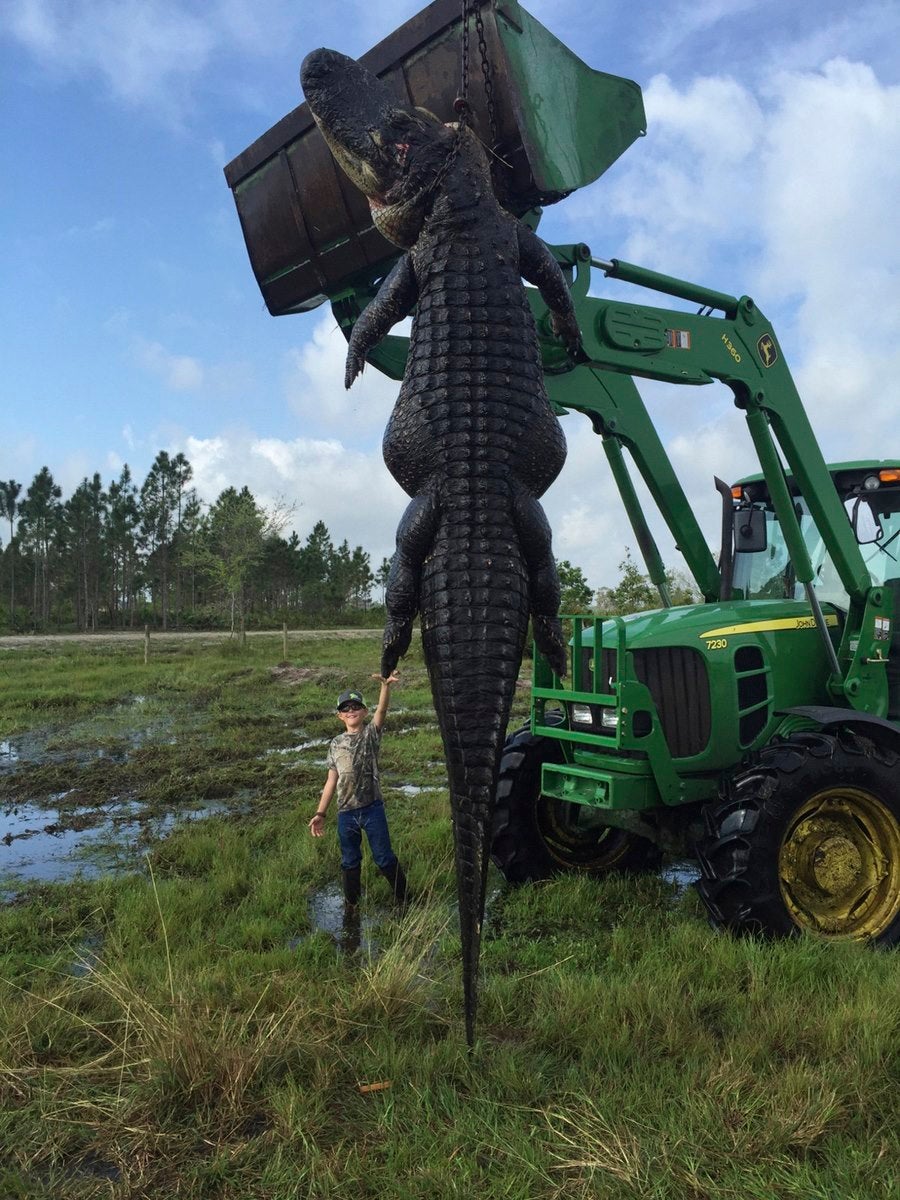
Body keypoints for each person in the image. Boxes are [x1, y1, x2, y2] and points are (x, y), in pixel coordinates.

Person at [309, 672, 408, 908]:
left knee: (384, 857)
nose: (351, 710)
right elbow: (331, 780)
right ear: (340, 715)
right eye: (346, 708)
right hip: (346, 813)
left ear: (364, 712)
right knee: (350, 861)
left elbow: (382, 713)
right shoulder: (336, 744)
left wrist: (385, 687)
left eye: (356, 706)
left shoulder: (370, 735)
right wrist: (320, 814)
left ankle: (405, 899)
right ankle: (351, 905)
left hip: (373, 809)